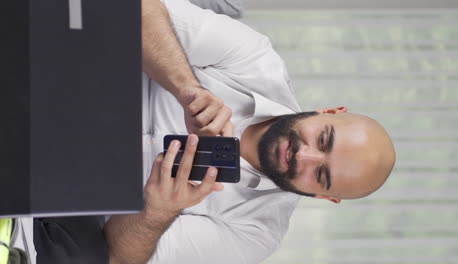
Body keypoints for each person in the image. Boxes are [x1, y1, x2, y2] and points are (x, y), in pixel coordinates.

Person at [105, 0, 396, 263]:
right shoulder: (256, 60)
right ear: (329, 112)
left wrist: (157, 213)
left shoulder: (253, 235)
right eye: (323, 139)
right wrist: (187, 87)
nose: (303, 155)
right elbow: (135, 9)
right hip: (81, 79)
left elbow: (116, 259)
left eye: (320, 175)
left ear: (324, 197)